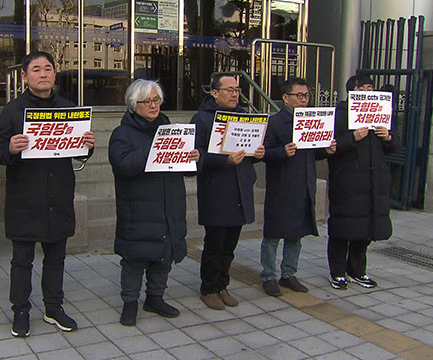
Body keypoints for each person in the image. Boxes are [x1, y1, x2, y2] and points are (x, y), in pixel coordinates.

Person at [0, 51, 95, 337]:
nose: (43, 74)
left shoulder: (68, 108)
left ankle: (53, 307)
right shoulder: (13, 110)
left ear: (54, 74)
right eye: (36, 69)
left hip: (58, 196)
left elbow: (79, 152)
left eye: (48, 69)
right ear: (25, 76)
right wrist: (11, 148)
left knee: (56, 258)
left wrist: (87, 144)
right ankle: (21, 310)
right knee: (22, 260)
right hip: (25, 198)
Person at [109, 79, 201, 326]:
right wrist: (155, 147)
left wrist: (195, 158)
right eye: (146, 101)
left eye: (156, 100)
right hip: (137, 208)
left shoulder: (172, 128)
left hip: (170, 205)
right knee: (135, 259)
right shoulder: (122, 134)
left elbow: (188, 170)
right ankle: (130, 303)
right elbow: (123, 166)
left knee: (164, 256)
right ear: (133, 104)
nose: (153, 105)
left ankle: (155, 298)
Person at [191, 73, 265, 310]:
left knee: (230, 244)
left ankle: (223, 285)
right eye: (229, 89)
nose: (235, 94)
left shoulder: (244, 116)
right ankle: (209, 288)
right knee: (215, 243)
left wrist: (257, 154)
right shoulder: (201, 120)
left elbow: (247, 154)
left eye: (237, 90)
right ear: (215, 93)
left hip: (240, 188)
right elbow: (196, 155)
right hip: (216, 190)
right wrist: (224, 160)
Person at [260, 77, 336, 297]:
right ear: (286, 98)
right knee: (273, 235)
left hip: (304, 183)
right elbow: (263, 152)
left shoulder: (313, 120)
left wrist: (327, 150)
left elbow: (314, 151)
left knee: (297, 234)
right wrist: (282, 152)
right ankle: (268, 276)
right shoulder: (275, 122)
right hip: (282, 186)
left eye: (306, 96)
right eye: (299, 96)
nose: (304, 100)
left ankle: (289, 273)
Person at [327, 75, 400, 290]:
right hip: (347, 182)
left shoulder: (379, 113)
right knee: (343, 227)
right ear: (352, 91)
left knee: (366, 228)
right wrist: (352, 138)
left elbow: (395, 146)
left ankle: (358, 270)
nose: (368, 92)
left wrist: (388, 137)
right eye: (363, 88)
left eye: (371, 88)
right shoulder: (339, 115)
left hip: (373, 182)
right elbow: (327, 148)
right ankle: (338, 272)